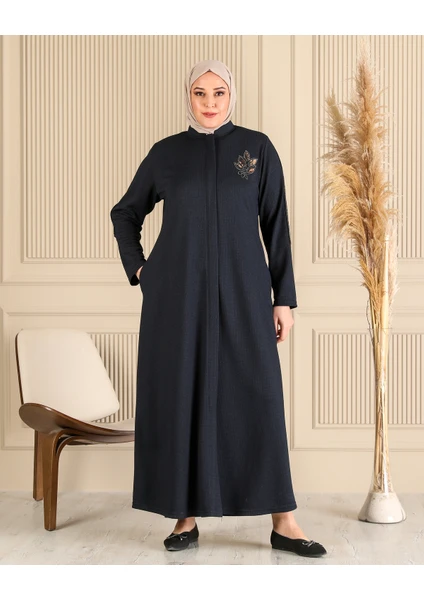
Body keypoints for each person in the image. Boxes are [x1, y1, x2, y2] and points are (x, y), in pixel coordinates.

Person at [110, 59, 326, 558]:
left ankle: (284, 521)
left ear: (232, 96)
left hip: (245, 294)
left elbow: (276, 226)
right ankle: (184, 517)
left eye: (219, 93)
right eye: (200, 93)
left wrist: (284, 298)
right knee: (182, 396)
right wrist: (141, 270)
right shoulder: (166, 153)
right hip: (177, 298)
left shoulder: (257, 148)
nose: (209, 103)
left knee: (260, 397)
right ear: (188, 96)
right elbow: (126, 213)